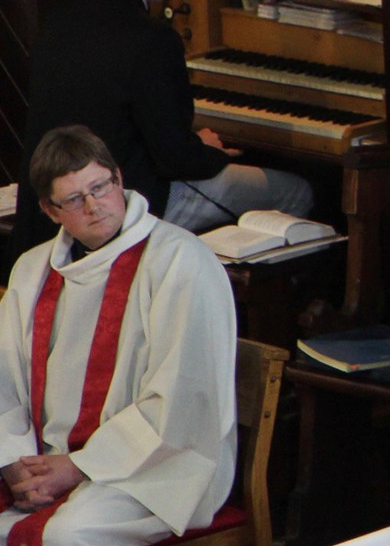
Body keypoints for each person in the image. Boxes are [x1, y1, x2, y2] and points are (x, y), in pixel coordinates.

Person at [8, 0, 312, 265]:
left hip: (51, 205)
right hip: (125, 203)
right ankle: (263, 314)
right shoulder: (152, 38)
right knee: (295, 191)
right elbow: (174, 159)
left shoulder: (60, 18)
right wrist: (209, 148)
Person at [0, 124, 236, 542]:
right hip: (43, 459)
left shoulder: (180, 263)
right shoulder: (33, 271)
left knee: (68, 536)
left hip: (153, 469)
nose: (95, 206)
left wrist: (79, 467)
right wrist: (15, 463)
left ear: (119, 179)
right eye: (74, 199)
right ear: (50, 210)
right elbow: (4, 382)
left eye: (101, 187)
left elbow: (183, 401)